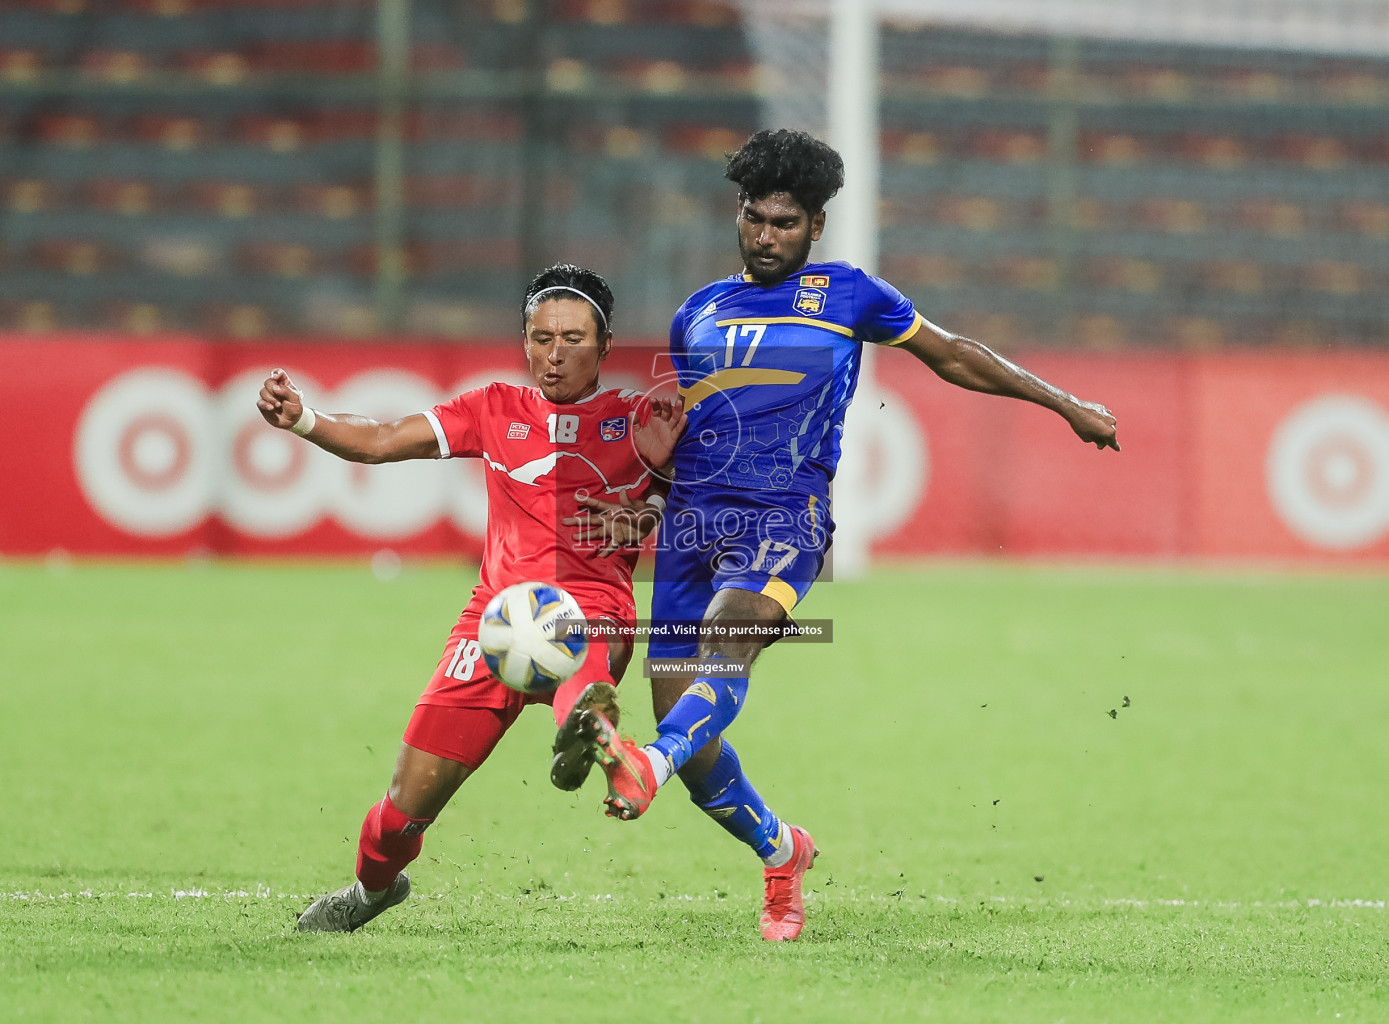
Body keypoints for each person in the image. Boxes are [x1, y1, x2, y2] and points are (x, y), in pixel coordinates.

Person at [573, 129, 1120, 942]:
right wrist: (641, 507)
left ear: (815, 228)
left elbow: (955, 355)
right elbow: (684, 431)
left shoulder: (848, 294)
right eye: (754, 219)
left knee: (723, 650)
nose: (765, 236)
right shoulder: (700, 311)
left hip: (784, 515)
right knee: (692, 735)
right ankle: (780, 851)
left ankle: (645, 762)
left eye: (784, 223)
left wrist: (1064, 403)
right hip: (692, 522)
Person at [259, 263, 686, 932]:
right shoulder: (492, 408)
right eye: (541, 338)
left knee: (573, 652)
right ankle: (371, 890)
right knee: (399, 814)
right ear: (523, 341)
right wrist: (305, 418)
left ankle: (595, 737)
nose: (556, 353)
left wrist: (658, 501)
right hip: (491, 626)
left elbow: (719, 493)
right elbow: (379, 439)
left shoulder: (643, 420)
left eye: (574, 338)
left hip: (592, 611)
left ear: (606, 346)